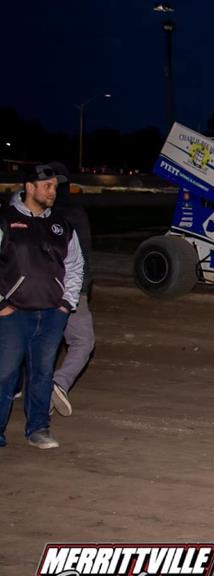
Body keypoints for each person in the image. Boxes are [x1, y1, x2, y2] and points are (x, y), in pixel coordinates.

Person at [0, 164, 83, 449]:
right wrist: (2, 305)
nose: (52, 191)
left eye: (55, 187)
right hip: (13, 315)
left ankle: (38, 428)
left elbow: (75, 266)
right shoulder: (6, 220)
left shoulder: (62, 225)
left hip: (51, 314)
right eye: (47, 185)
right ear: (30, 187)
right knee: (5, 374)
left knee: (43, 374)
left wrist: (65, 304)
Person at [46, 161, 94, 417]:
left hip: (36, 289)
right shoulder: (75, 214)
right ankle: (59, 382)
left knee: (38, 340)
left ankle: (25, 385)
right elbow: (83, 257)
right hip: (70, 289)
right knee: (82, 341)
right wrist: (84, 289)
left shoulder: (33, 212)